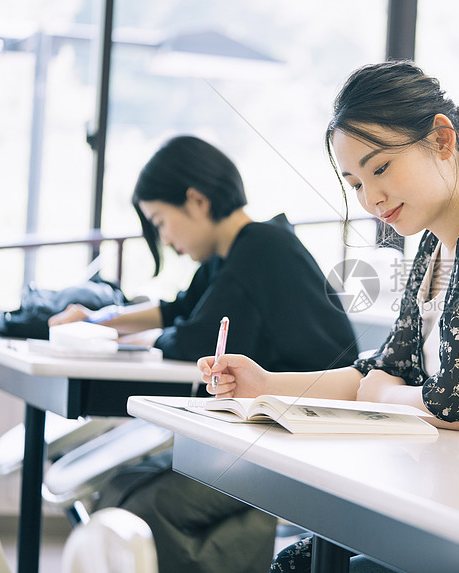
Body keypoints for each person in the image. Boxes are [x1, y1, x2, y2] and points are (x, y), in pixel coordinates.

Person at [198, 61, 459, 572]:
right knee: (304, 560)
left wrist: (387, 394)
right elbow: (385, 371)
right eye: (354, 183)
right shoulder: (436, 246)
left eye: (380, 168)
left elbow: (458, 405)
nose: (371, 199)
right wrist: (263, 384)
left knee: (306, 566)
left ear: (441, 139)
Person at [49, 135, 360, 573]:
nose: (165, 236)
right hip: (265, 429)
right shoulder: (233, 254)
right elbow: (178, 310)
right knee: (124, 489)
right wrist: (100, 321)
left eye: (161, 221)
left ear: (195, 200)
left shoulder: (260, 248)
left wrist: (114, 334)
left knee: (145, 503)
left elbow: (192, 339)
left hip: (302, 439)